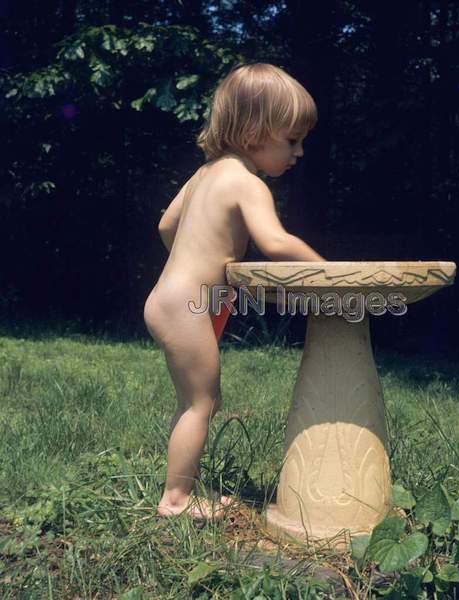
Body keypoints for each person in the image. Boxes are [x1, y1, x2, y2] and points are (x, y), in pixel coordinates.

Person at [143, 63, 326, 522]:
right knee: (202, 402)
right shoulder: (248, 182)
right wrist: (331, 273)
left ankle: (181, 485)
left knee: (194, 401)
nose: (299, 152)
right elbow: (276, 242)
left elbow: (166, 225)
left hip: (171, 298)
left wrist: (192, 262)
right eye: (291, 140)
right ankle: (175, 501)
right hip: (186, 305)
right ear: (254, 132)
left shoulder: (205, 174)